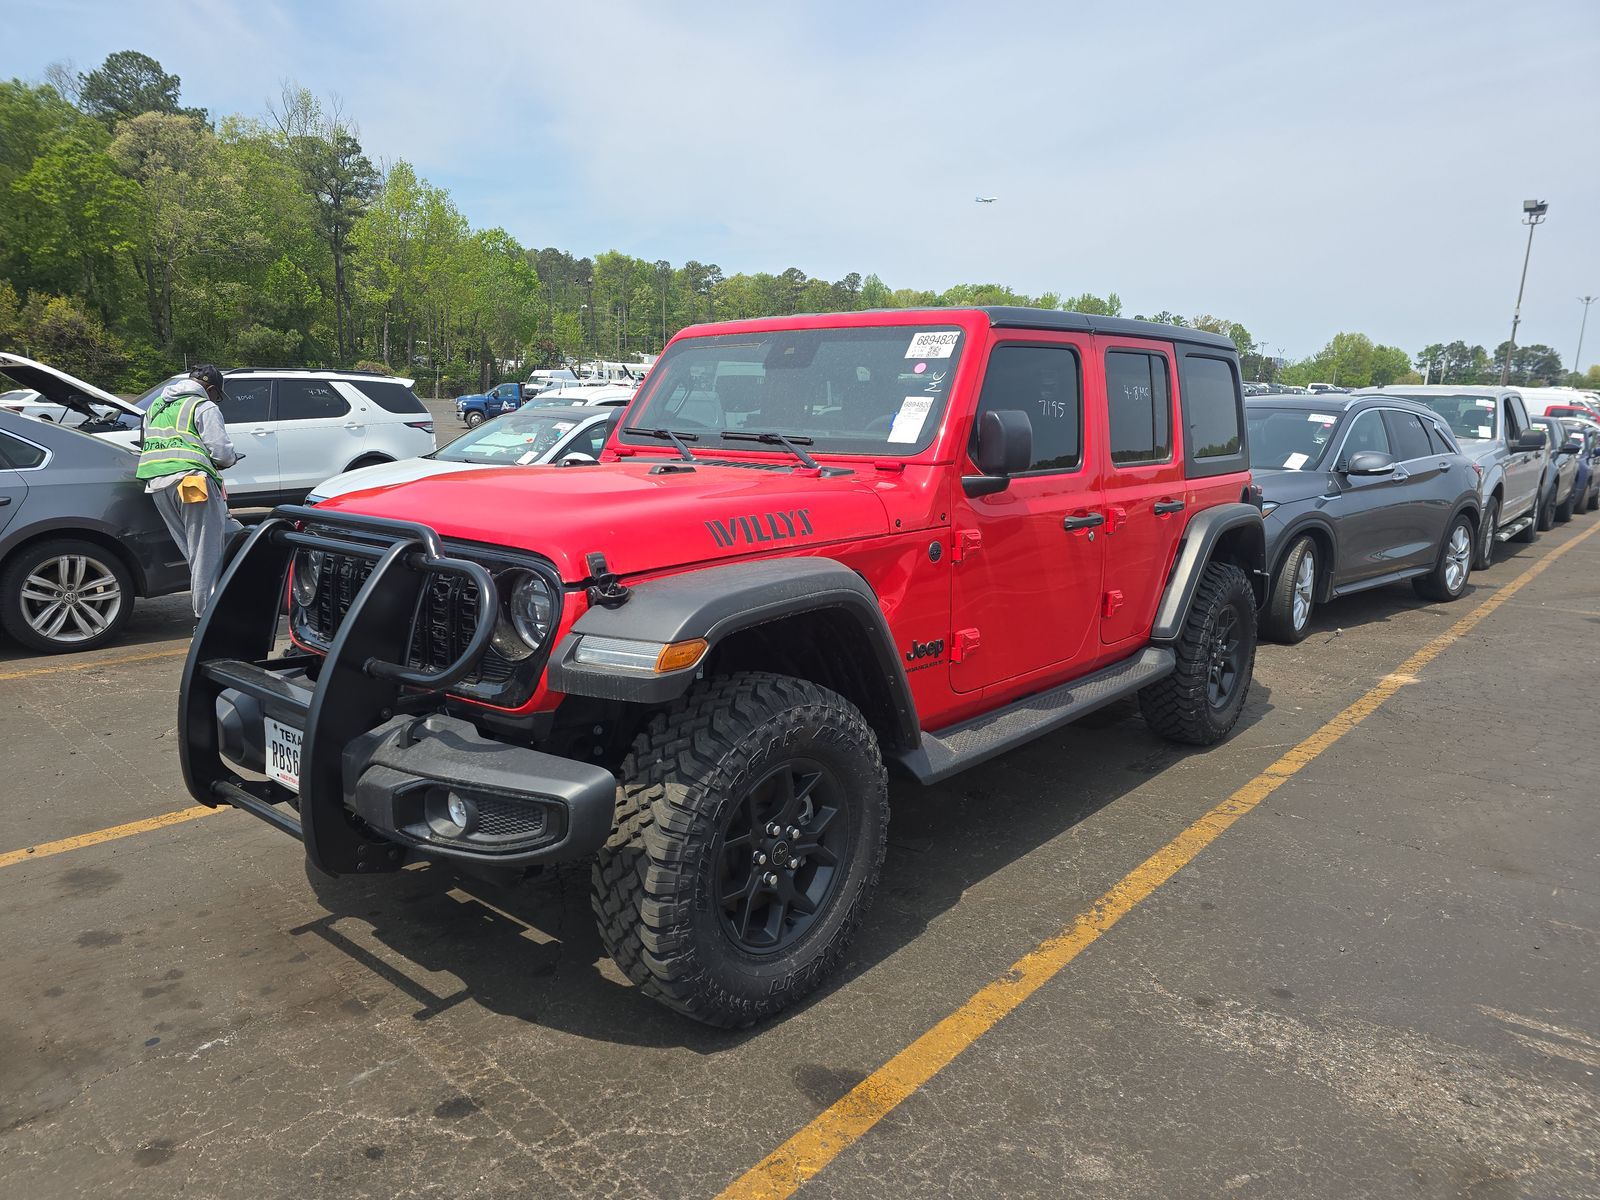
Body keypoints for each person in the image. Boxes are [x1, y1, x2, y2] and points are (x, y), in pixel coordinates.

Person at [136, 364, 241, 622]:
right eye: (217, 395)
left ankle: (205, 609)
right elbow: (222, 454)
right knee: (206, 554)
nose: (216, 400)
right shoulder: (203, 407)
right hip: (192, 483)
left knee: (193, 553)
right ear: (212, 388)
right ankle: (205, 620)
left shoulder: (155, 407)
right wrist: (229, 460)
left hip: (158, 484)